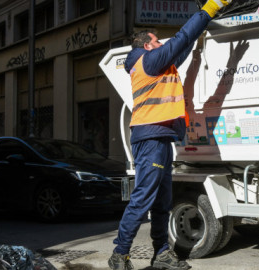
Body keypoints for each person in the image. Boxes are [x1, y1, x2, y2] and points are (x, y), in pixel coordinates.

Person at [108, 1, 233, 269]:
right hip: (150, 138)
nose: (162, 45)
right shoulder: (148, 62)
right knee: (143, 198)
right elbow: (181, 39)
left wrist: (199, 40)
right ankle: (120, 254)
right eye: (157, 41)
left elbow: (182, 49)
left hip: (160, 138)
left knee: (162, 202)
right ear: (148, 45)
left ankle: (162, 254)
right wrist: (209, 10)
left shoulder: (155, 64)